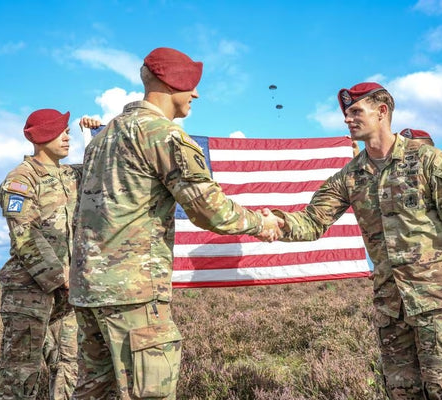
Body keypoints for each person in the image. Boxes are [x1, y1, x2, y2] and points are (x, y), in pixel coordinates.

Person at [69, 47, 283, 400]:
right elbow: (207, 209)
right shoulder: (163, 135)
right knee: (149, 393)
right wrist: (261, 224)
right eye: (192, 85)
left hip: (90, 291)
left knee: (95, 392)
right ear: (173, 85)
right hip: (133, 295)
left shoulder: (103, 138)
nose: (196, 93)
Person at [267, 82, 442, 399]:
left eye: (356, 111)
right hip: (391, 309)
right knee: (401, 392)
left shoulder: (429, 162)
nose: (347, 119)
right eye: (346, 113)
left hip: (439, 307)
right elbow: (312, 221)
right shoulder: (350, 176)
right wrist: (271, 223)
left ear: (382, 111)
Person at [0, 109, 101, 400]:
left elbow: (103, 165)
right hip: (28, 293)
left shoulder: (71, 174)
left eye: (67, 131)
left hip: (67, 293)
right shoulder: (21, 179)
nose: (67, 137)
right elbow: (24, 233)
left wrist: (95, 131)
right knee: (20, 371)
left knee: (70, 364)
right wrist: (60, 275)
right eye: (60, 131)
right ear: (41, 136)